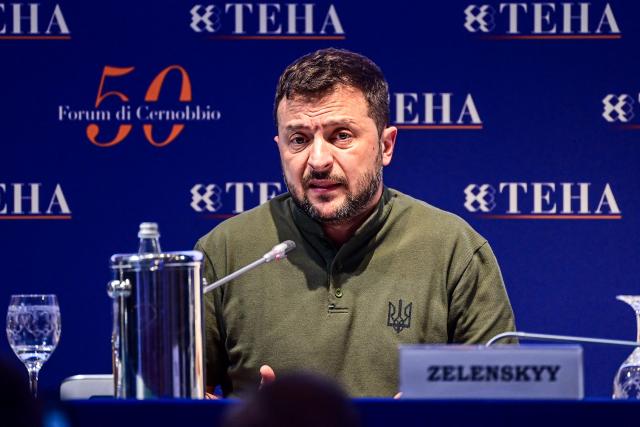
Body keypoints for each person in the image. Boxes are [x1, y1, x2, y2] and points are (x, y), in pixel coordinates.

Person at [195, 48, 516, 398]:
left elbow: (502, 401)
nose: (317, 160)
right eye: (299, 139)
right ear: (280, 147)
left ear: (386, 145)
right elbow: (175, 402)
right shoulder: (223, 251)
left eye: (341, 136)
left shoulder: (455, 250)